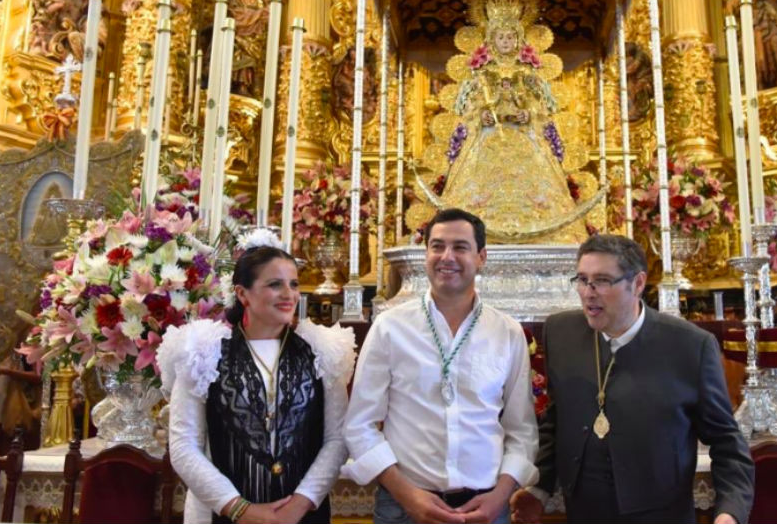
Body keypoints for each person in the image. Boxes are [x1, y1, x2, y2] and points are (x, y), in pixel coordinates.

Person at [510, 235, 754, 523]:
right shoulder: (560, 332)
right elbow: (556, 420)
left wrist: (730, 512)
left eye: (601, 281)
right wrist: (539, 488)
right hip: (585, 512)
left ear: (637, 283)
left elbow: (726, 441)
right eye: (582, 279)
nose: (588, 292)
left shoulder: (690, 346)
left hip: (661, 514)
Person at [343, 208, 538, 524]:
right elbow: (360, 424)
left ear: (481, 257)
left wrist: (499, 497)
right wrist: (407, 496)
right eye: (437, 246)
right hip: (404, 507)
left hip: (485, 506)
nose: (447, 256)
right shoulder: (390, 327)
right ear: (426, 254)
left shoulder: (506, 332)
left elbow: (522, 431)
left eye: (460, 247)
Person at [160, 229, 356, 524]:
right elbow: (184, 447)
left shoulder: (323, 351)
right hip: (222, 512)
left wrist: (300, 504)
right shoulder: (202, 352)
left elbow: (336, 439)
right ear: (242, 293)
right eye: (275, 285)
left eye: (293, 284)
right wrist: (240, 509)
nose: (289, 294)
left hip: (302, 514)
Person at [433, 0, 588, 244]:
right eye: (501, 38)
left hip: (525, 141)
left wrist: (529, 115)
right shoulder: (480, 76)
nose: (506, 42)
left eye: (510, 38)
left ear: (518, 40)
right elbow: (468, 108)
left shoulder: (529, 75)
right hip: (487, 141)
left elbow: (542, 108)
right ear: (492, 41)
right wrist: (480, 116)